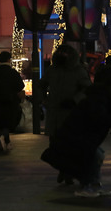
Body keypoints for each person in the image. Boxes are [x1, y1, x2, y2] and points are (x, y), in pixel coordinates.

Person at [41, 67, 111, 198]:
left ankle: (93, 184)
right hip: (77, 137)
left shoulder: (103, 97)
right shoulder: (98, 99)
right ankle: (87, 185)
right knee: (92, 157)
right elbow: (99, 119)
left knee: (96, 155)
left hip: (82, 136)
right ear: (110, 86)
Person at [38, 44, 91, 184]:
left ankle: (67, 171)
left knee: (69, 144)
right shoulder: (52, 70)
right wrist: (44, 100)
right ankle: (63, 169)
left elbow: (87, 89)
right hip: (54, 112)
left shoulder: (78, 71)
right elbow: (42, 85)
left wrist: (75, 100)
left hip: (70, 113)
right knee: (55, 145)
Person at [0, 51, 25, 152]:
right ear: (9, 59)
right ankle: (4, 139)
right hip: (11, 101)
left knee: (1, 121)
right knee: (9, 121)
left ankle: (5, 139)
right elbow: (21, 86)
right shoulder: (13, 73)